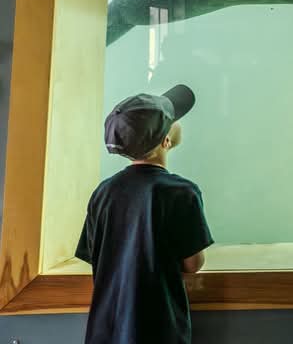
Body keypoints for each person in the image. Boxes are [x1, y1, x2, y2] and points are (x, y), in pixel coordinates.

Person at [75, 84, 214, 344]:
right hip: (159, 330)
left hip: (107, 330)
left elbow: (97, 257)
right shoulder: (182, 192)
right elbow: (193, 264)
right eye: (173, 120)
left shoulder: (103, 193)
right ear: (166, 141)